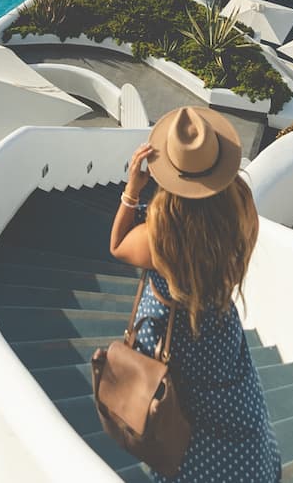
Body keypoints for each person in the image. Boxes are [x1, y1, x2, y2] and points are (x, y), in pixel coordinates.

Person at [109, 106, 281, 482]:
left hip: (169, 332)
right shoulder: (238, 211)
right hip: (217, 327)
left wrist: (132, 191)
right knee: (224, 399)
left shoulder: (161, 236)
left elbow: (118, 245)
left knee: (170, 402)